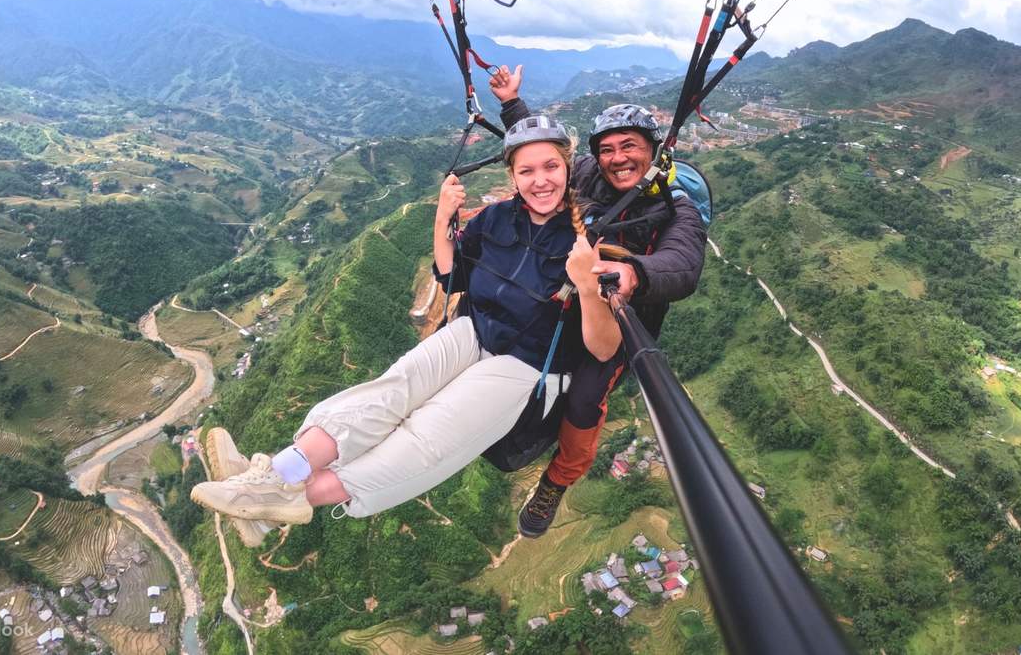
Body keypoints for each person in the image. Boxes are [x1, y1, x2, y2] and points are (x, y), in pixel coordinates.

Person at [190, 115, 620, 544]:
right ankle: (273, 478)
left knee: (427, 435)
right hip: (475, 332)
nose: (540, 180)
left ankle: (283, 499)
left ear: (568, 168)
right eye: (527, 170)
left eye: (550, 167)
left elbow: (604, 349)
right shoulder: (497, 219)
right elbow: (453, 278)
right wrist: (442, 218)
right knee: (391, 389)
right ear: (512, 175)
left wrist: (586, 283)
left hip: (525, 365)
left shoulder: (591, 239)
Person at [488, 66, 707, 538]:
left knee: (586, 400)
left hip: (618, 321)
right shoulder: (589, 175)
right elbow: (544, 161)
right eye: (607, 149)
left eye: (629, 146)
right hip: (566, 293)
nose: (617, 157)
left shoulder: (674, 208)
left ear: (652, 151)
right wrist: (511, 104)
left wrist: (635, 273)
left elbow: (684, 263)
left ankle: (556, 481)